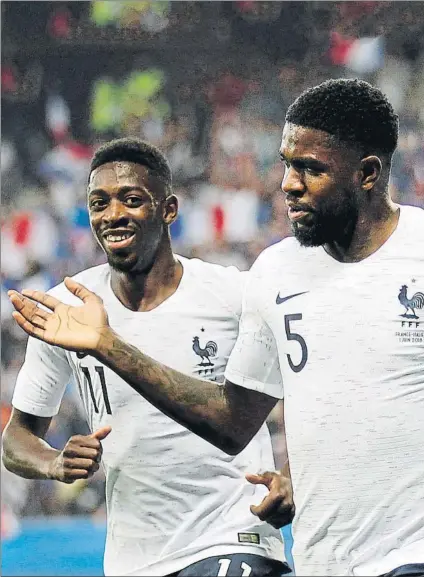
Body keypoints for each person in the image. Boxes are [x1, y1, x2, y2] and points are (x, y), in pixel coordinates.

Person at [8, 79, 424, 576]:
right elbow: (237, 420)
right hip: (311, 557)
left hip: (257, 541)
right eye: (287, 164)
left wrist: (108, 345)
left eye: (309, 168)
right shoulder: (276, 273)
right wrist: (56, 457)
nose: (288, 182)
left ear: (368, 173)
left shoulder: (233, 290)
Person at [3, 138, 293, 577]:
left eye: (132, 200)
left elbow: (315, 388)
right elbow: (17, 438)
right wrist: (53, 461)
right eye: (98, 203)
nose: (112, 214)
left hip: (234, 534)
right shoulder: (67, 311)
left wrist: (294, 473)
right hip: (134, 557)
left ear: (169, 210)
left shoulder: (233, 294)